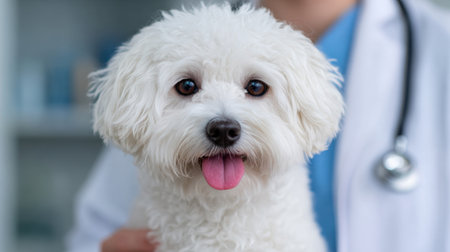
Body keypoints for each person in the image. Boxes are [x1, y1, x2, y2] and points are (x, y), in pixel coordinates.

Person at [66, 0, 450, 251]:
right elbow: (94, 234)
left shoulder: (439, 42)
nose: (223, 122)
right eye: (187, 87)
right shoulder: (179, 35)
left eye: (255, 88)